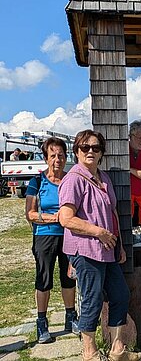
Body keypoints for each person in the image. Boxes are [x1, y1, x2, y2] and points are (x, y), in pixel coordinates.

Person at [59, 130, 141, 361]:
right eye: (85, 148)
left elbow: (112, 212)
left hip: (108, 250)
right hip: (86, 251)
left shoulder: (103, 178)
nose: (91, 152)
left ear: (102, 153)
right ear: (76, 151)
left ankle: (117, 349)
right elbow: (65, 218)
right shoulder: (73, 179)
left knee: (120, 295)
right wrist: (99, 232)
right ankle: (89, 352)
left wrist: (120, 245)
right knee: (92, 299)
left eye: (96, 148)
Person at [25, 137, 77, 344]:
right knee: (44, 279)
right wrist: (52, 217)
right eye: (53, 155)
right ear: (46, 158)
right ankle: (41, 322)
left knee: (69, 276)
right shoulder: (37, 182)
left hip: (69, 235)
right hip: (45, 234)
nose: (58, 159)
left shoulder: (70, 179)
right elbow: (30, 213)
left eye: (61, 156)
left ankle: (70, 317)